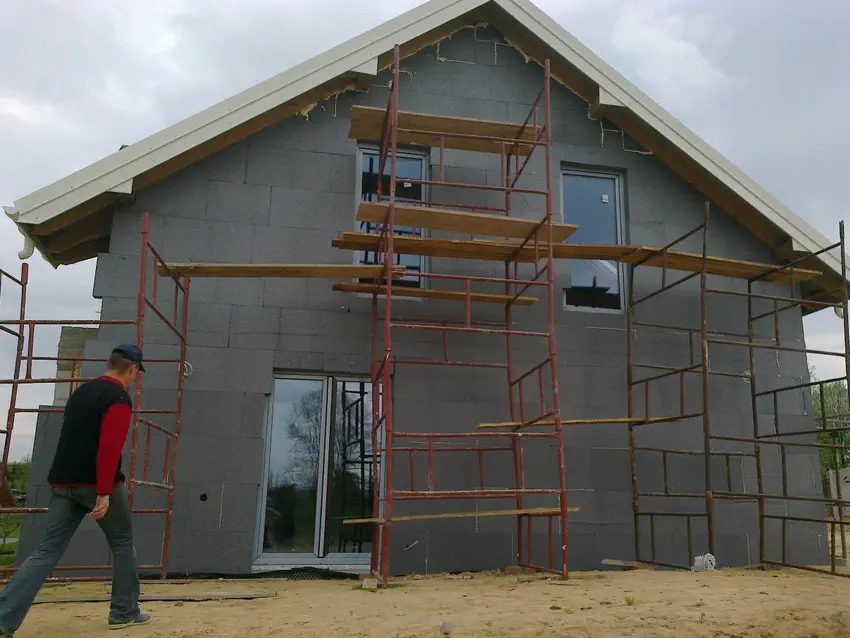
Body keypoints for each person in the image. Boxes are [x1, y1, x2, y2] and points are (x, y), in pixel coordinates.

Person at [0, 344, 151, 636]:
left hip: (62, 481)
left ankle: (3, 618)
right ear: (132, 369)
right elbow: (109, 448)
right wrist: (103, 492)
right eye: (136, 373)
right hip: (97, 483)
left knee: (46, 551)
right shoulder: (118, 398)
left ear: (110, 363)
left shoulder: (80, 393)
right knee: (122, 543)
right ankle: (124, 612)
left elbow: (70, 439)